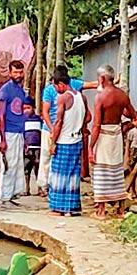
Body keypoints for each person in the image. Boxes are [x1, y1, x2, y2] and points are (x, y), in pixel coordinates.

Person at [85, 66, 137, 216]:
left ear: (102, 79)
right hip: (116, 136)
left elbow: (96, 125)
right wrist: (120, 110)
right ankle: (120, 208)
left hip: (103, 135)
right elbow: (133, 115)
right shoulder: (122, 95)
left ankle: (101, 210)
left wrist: (91, 146)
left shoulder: (101, 97)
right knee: (116, 170)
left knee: (101, 171)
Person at [46, 64, 87, 216]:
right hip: (77, 140)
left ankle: (58, 208)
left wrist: (53, 142)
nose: (55, 90)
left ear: (61, 84)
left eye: (55, 86)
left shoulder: (63, 98)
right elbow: (87, 117)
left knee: (59, 174)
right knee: (73, 174)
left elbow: (58, 122)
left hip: (64, 141)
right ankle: (72, 208)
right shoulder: (81, 97)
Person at [0, 58, 33, 206]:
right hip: (8, 132)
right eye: (15, 72)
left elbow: (21, 112)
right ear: (10, 73)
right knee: (8, 164)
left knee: (17, 164)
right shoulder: (5, 90)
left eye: (20, 71)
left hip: (19, 131)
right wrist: (2, 138)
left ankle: (12, 195)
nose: (18, 74)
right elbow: (1, 115)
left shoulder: (21, 91)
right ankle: (4, 197)